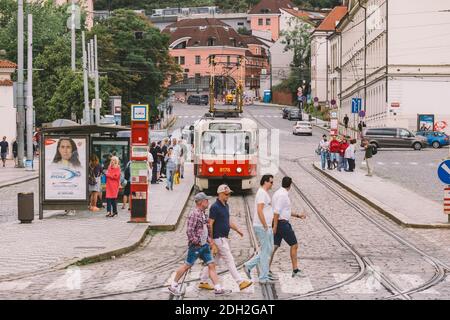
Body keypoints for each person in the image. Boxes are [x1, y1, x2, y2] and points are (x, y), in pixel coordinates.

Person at [168, 192, 231, 296]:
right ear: (201, 202)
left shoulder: (202, 213)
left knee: (211, 265)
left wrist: (209, 240)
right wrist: (196, 242)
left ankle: (218, 289)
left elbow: (204, 228)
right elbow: (189, 231)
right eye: (206, 200)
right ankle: (173, 286)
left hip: (204, 246)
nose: (208, 202)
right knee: (187, 265)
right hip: (196, 246)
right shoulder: (194, 214)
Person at [199, 185, 253, 291]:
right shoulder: (215, 207)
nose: (228, 196)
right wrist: (212, 241)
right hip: (218, 238)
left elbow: (227, 221)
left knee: (213, 261)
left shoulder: (226, 206)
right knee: (229, 259)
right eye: (226, 194)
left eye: (229, 194)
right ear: (220, 193)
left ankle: (203, 281)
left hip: (223, 237)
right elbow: (210, 224)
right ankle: (240, 282)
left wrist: (237, 230)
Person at [270, 177, 307, 278]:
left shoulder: (278, 193)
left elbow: (284, 211)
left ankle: (266, 269)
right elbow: (277, 212)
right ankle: (295, 270)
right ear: (290, 185)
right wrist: (275, 227)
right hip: (282, 224)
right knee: (294, 245)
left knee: (274, 247)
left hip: (278, 222)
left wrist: (298, 216)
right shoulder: (283, 195)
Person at [244, 175, 275, 284]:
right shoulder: (262, 193)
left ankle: (249, 265)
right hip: (262, 226)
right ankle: (263, 278)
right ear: (265, 182)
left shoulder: (264, 193)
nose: (272, 184)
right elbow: (259, 210)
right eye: (271, 182)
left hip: (266, 226)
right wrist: (265, 225)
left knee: (267, 250)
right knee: (266, 252)